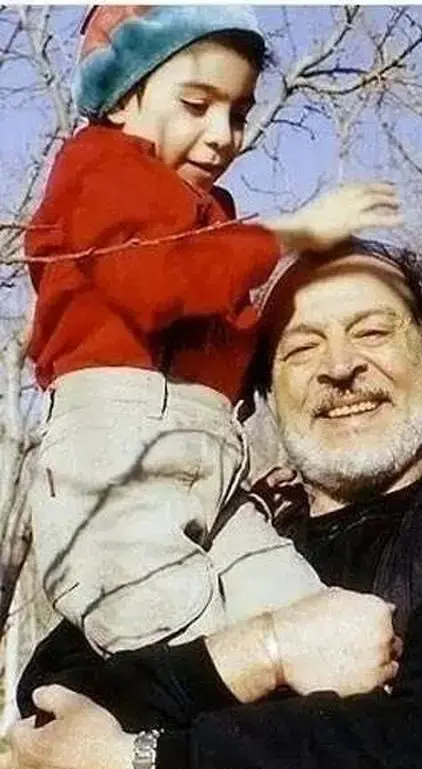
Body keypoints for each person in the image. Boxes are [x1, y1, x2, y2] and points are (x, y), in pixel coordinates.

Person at [8, 238, 422, 769]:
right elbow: (54, 705)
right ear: (263, 390)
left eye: (373, 333)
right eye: (301, 347)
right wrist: (264, 652)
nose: (339, 368)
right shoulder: (223, 532)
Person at [26, 5, 401, 655]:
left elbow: (215, 333)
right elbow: (150, 284)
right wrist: (290, 232)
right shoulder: (100, 166)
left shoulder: (211, 215)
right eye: (196, 105)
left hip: (210, 458)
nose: (223, 136)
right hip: (119, 445)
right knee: (167, 633)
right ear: (122, 99)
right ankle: (157, 720)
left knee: (308, 619)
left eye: (239, 113)